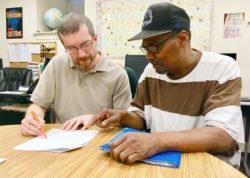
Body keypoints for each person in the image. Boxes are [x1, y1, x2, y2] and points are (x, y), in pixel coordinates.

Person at [92, 2, 244, 168]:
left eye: (155, 47)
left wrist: (157, 140)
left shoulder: (221, 69)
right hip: (163, 165)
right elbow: (143, 119)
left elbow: (223, 137)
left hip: (206, 168)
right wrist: (123, 116)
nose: (149, 56)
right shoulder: (152, 71)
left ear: (183, 38)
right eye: (146, 49)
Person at [21, 13, 131, 136]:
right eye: (71, 48)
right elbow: (38, 106)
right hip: (60, 141)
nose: (81, 54)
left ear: (95, 39)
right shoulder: (56, 65)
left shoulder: (117, 74)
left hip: (98, 142)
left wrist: (94, 119)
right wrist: (31, 118)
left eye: (85, 45)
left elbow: (123, 121)